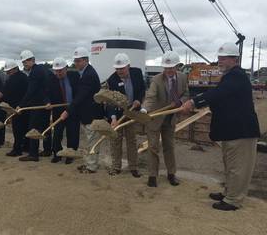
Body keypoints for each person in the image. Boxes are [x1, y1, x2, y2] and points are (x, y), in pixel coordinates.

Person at [182, 42, 260, 211]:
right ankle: (228, 192)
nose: (220, 61)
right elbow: (221, 97)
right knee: (230, 165)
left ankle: (233, 200)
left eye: (224, 58)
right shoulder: (230, 76)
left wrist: (194, 101)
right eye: (219, 58)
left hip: (241, 131)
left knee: (238, 167)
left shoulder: (236, 76)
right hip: (233, 131)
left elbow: (218, 94)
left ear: (235, 59)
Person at [141, 51, 189, 187]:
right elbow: (150, 96)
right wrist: (144, 109)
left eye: (171, 68)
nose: (168, 70)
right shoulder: (156, 80)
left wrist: (180, 102)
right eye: (166, 68)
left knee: (169, 147)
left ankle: (171, 174)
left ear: (177, 67)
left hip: (170, 118)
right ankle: (152, 176)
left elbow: (186, 93)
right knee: (153, 148)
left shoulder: (182, 78)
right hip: (155, 118)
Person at [59, 47, 103, 173]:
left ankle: (91, 167)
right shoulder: (85, 72)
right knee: (89, 140)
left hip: (91, 114)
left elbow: (80, 96)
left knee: (92, 140)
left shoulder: (89, 75)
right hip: (86, 113)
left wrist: (68, 111)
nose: (76, 63)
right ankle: (89, 164)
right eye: (75, 61)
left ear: (86, 60)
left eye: (79, 61)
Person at [106, 53, 146, 177]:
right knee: (115, 141)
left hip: (132, 112)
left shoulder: (137, 73)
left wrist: (139, 100)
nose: (119, 71)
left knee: (131, 141)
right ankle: (116, 167)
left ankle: (133, 167)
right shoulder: (112, 80)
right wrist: (113, 118)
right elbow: (110, 101)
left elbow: (141, 89)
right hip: (118, 114)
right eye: (117, 69)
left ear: (128, 66)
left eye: (122, 68)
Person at [17, 50, 50, 162]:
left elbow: (31, 91)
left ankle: (33, 154)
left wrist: (20, 105)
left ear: (32, 60)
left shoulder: (35, 72)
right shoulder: (42, 69)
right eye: (23, 62)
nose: (24, 64)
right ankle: (47, 150)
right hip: (45, 104)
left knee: (33, 129)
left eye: (26, 62)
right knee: (45, 128)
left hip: (38, 105)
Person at [48, 57, 80, 164]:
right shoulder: (51, 79)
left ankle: (70, 155)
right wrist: (47, 102)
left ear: (66, 68)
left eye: (60, 70)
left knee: (73, 133)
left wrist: (74, 105)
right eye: (56, 71)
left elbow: (80, 93)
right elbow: (46, 93)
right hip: (58, 111)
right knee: (57, 134)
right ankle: (57, 154)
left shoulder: (75, 76)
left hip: (73, 110)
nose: (58, 73)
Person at [2, 60, 29, 156]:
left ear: (14, 69)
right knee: (25, 128)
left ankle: (17, 149)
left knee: (17, 130)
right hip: (24, 107)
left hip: (17, 108)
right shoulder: (24, 77)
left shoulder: (13, 79)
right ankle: (26, 147)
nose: (7, 73)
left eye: (8, 71)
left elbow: (6, 92)